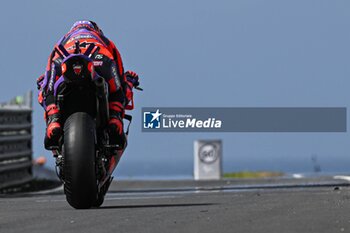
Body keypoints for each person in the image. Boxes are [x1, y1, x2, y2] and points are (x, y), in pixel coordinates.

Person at [37, 20, 140, 152]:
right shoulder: (104, 40)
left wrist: (43, 84)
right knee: (118, 89)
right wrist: (129, 81)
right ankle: (115, 119)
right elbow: (120, 74)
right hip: (102, 61)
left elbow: (48, 76)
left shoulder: (63, 41)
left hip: (63, 61)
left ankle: (54, 119)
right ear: (96, 30)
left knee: (46, 91)